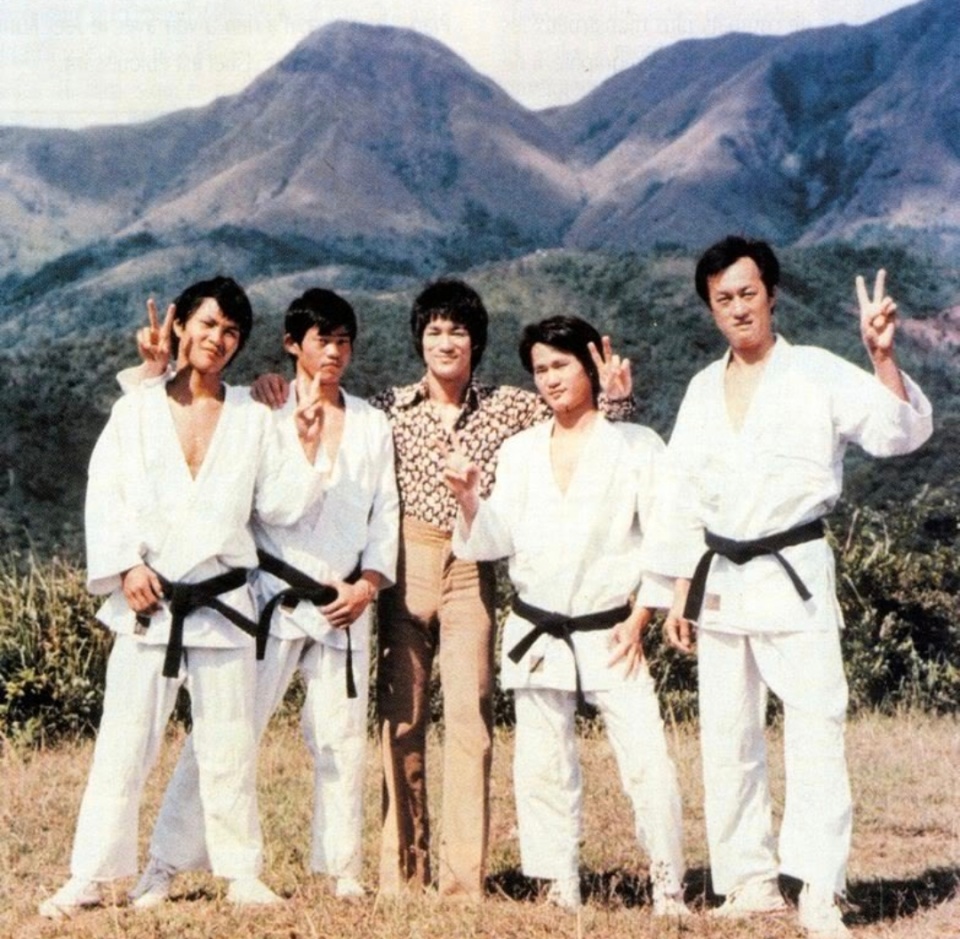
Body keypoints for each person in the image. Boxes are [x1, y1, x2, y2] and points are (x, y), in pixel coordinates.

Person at [253, 277, 632, 900]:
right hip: (406, 560)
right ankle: (401, 874)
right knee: (400, 719)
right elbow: (322, 401)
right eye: (434, 331)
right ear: (419, 340)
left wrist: (616, 399)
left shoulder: (510, 407)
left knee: (470, 717)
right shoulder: (388, 406)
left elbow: (581, 422)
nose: (446, 342)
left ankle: (462, 880)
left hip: (471, 561)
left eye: (458, 330)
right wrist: (271, 386)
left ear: (475, 340)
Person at [641, 236, 933, 938]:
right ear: (711, 308)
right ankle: (748, 879)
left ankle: (819, 885)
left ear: (772, 295)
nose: (738, 308)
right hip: (720, 577)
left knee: (815, 726)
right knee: (727, 732)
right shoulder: (701, 389)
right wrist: (676, 585)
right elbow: (678, 494)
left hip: (793, 572)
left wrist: (882, 356)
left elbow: (899, 432)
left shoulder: (815, 371)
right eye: (723, 299)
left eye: (748, 293)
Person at [39, 276, 330, 919]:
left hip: (223, 603)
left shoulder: (253, 418)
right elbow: (106, 492)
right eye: (207, 324)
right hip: (151, 601)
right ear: (179, 327)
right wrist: (124, 566)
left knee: (228, 745)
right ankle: (89, 876)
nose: (217, 339)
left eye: (231, 331)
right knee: (124, 742)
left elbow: (281, 506)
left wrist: (307, 444)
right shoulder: (138, 410)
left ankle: (240, 871)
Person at [121, 288, 399, 908]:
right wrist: (153, 368)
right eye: (322, 340)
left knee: (340, 741)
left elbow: (386, 514)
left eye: (344, 341)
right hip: (270, 596)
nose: (334, 353)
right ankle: (165, 864)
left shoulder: (371, 423)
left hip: (344, 599)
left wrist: (368, 585)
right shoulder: (261, 406)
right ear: (292, 344)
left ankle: (342, 869)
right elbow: (179, 411)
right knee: (226, 737)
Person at [440, 315, 689, 917]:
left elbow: (666, 534)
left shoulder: (635, 444)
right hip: (538, 626)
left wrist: (641, 618)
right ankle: (559, 883)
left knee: (647, 760)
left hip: (612, 628)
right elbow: (493, 539)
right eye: (540, 369)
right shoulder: (521, 451)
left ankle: (668, 884)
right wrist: (469, 497)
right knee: (543, 764)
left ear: (590, 367)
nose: (550, 379)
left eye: (561, 365)